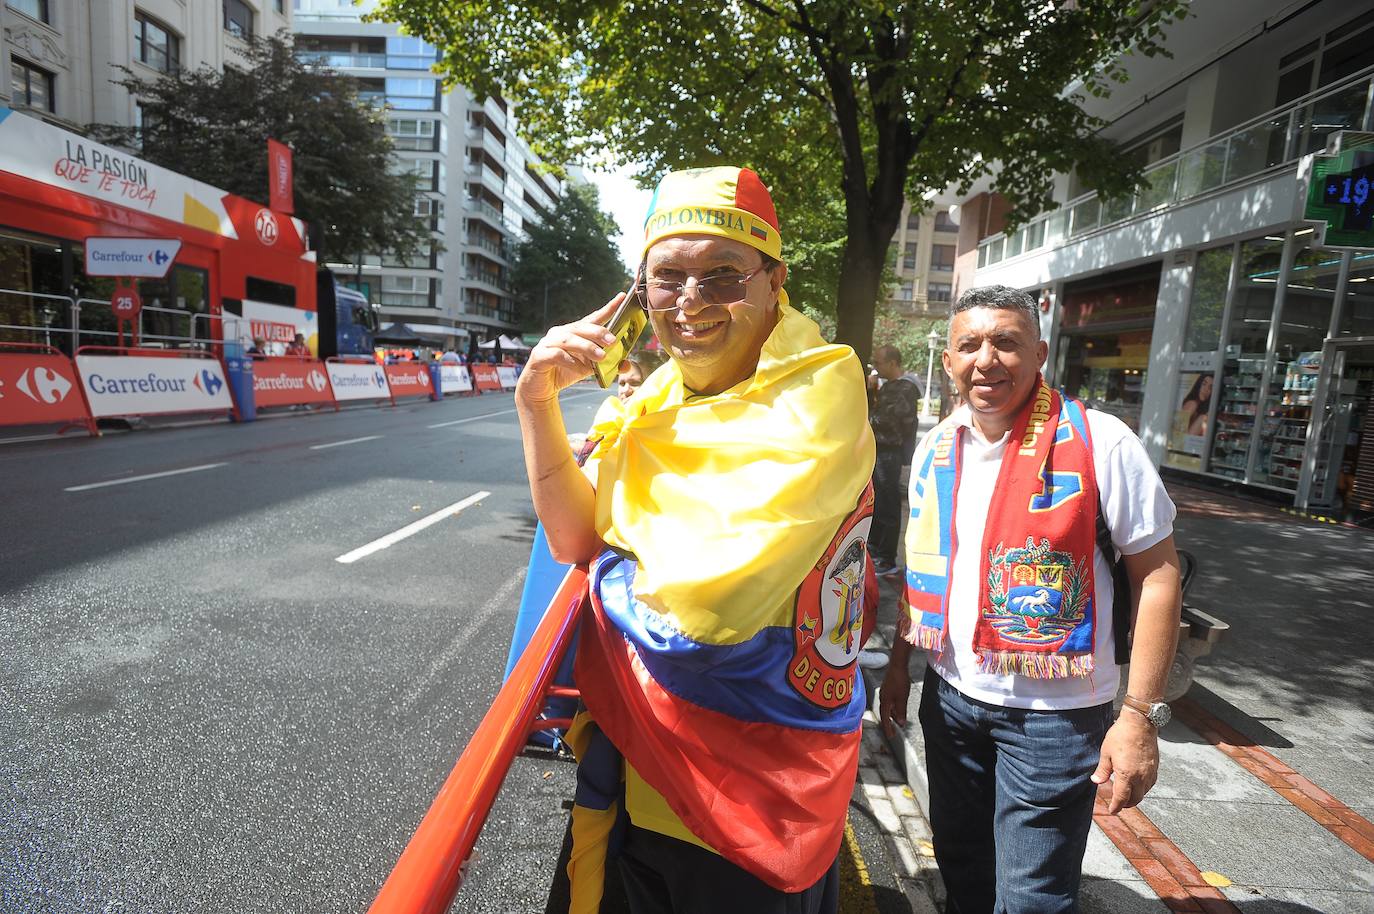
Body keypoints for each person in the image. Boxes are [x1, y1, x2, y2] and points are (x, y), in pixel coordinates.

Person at [518, 166, 877, 913]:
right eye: (666, 278)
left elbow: (707, 613)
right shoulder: (656, 397)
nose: (689, 301)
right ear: (638, 293)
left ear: (775, 281)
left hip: (752, 798)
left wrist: (616, 569)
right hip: (633, 765)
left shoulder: (820, 391)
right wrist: (536, 400)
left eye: (722, 276)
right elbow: (574, 536)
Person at [878, 285, 1182, 914]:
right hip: (952, 701)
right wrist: (901, 665)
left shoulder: (1104, 441)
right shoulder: (938, 446)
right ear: (949, 361)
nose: (986, 359)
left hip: (1057, 720)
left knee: (1032, 896)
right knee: (961, 866)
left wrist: (1139, 719)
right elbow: (926, 565)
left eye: (1006, 342)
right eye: (969, 344)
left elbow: (1157, 576)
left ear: (1040, 353)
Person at [867, 344, 922, 577]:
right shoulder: (890, 387)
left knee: (888, 504)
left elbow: (887, 420)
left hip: (889, 452)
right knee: (878, 501)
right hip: (881, 450)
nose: (876, 368)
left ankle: (886, 557)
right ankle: (876, 549)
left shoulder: (904, 389)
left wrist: (869, 418)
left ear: (892, 363)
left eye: (879, 363)